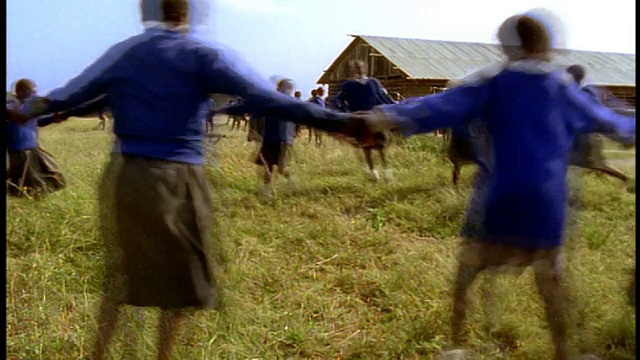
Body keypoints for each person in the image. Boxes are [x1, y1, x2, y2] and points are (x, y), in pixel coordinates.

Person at [22, 1, 369, 359]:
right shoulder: (200, 55)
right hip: (178, 179)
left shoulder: (125, 52)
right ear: (186, 14)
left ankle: (99, 353)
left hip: (127, 176)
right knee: (182, 282)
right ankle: (164, 355)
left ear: (147, 14)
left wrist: (23, 111)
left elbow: (66, 96)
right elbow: (267, 99)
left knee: (122, 275)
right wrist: (338, 123)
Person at [361, 11, 635, 360]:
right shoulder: (563, 88)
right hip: (546, 202)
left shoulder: (493, 84)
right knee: (551, 279)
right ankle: (565, 353)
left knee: (467, 273)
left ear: (507, 47)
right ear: (547, 44)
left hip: (501, 195)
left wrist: (382, 116)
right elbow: (610, 121)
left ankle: (457, 344)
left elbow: (439, 106)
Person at [335, 59, 396, 182]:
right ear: (352, 69)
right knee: (366, 146)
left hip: (374, 116)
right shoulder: (348, 85)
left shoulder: (373, 82)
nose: (358, 69)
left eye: (360, 67)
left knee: (381, 144)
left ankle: (386, 172)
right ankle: (373, 173)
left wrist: (394, 106)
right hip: (359, 118)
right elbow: (338, 100)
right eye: (356, 67)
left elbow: (384, 97)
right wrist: (346, 112)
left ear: (365, 68)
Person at [6, 79, 66, 198]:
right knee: (21, 183)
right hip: (18, 150)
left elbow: (27, 120)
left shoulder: (30, 104)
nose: (20, 93)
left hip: (28, 149)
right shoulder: (16, 105)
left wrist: (52, 119)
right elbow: (29, 120)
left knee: (36, 181)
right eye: (19, 91)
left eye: (22, 90)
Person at [254, 78, 297, 195]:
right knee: (268, 166)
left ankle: (291, 183)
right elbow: (258, 115)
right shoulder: (270, 100)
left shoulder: (293, 103)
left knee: (281, 168)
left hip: (284, 139)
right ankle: (266, 190)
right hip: (271, 137)